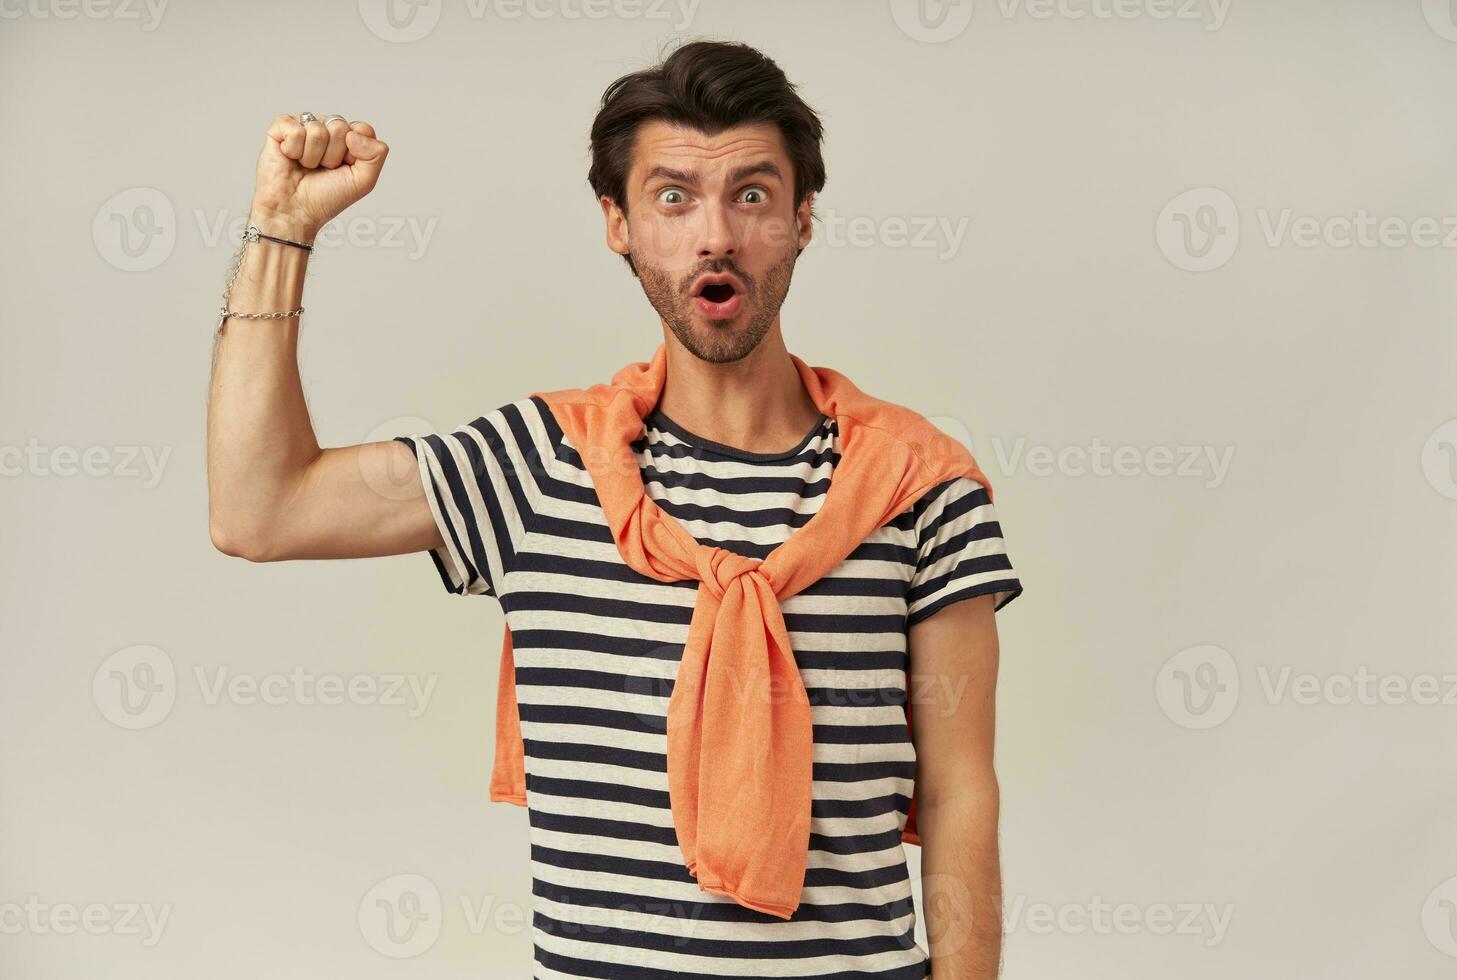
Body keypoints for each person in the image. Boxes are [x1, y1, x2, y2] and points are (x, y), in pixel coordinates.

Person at [207, 38, 1022, 980]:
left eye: (752, 194)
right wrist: (281, 228)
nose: (715, 234)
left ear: (803, 219)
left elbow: (963, 793)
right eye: (673, 197)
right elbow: (258, 509)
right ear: (618, 224)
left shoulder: (920, 483)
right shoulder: (539, 463)